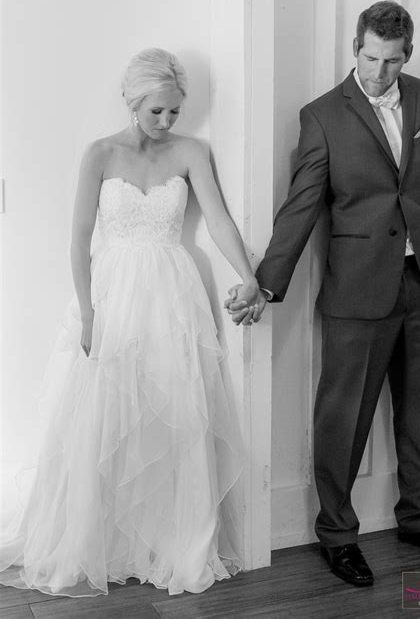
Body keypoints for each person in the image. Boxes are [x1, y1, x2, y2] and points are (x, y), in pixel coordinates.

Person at [226, 1, 420, 586]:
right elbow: (302, 205)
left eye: (391, 61)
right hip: (358, 291)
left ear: (406, 53)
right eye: (369, 57)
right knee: (343, 417)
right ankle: (337, 535)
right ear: (354, 47)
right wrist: (266, 282)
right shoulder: (323, 115)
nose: (379, 72)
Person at [0, 48, 259, 597]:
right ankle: (101, 543)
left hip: (172, 293)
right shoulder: (99, 153)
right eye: (156, 112)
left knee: (175, 411)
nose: (166, 123)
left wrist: (250, 275)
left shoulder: (192, 151)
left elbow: (217, 219)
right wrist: (88, 312)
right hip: (113, 292)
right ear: (131, 101)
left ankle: (171, 544)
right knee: (102, 414)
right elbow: (76, 238)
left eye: (174, 112)